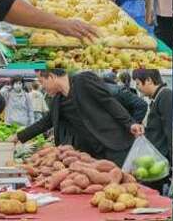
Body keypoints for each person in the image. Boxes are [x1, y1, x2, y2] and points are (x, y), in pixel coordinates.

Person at [8, 70, 144, 166]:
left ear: (51, 76)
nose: (42, 86)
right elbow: (44, 123)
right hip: (92, 154)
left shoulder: (83, 80)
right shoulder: (57, 101)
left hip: (114, 145)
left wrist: (130, 123)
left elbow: (108, 101)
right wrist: (16, 138)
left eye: (42, 81)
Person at [132, 69, 172, 193]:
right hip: (153, 160)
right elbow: (158, 126)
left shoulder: (165, 96)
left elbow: (170, 130)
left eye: (138, 83)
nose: (137, 87)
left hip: (159, 160)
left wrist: (172, 163)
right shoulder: (157, 98)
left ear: (149, 80)